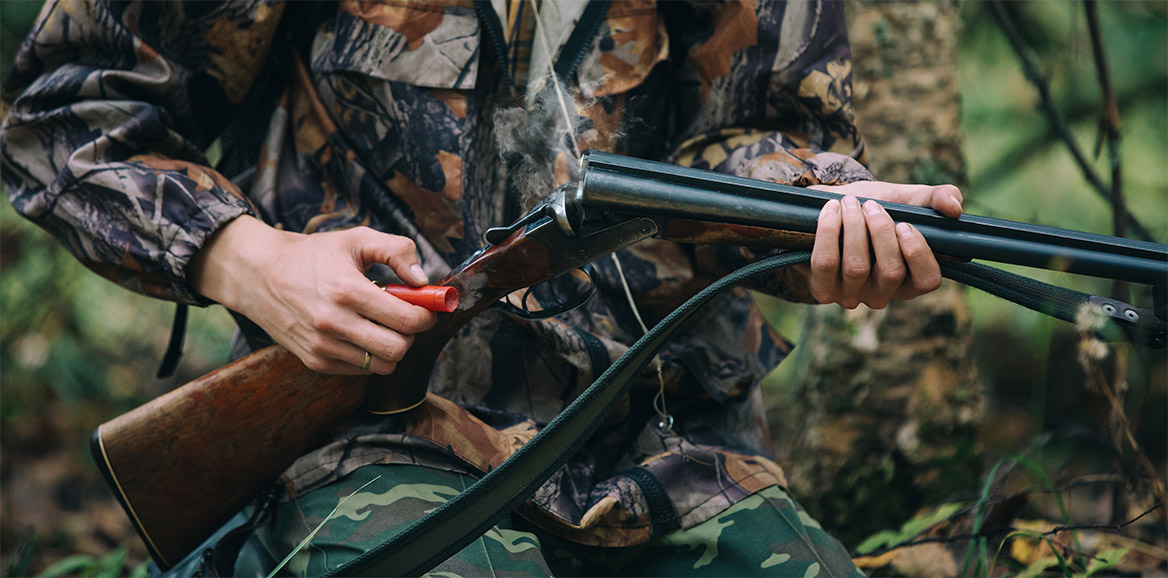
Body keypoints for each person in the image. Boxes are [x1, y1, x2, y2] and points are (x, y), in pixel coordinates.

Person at [2, 1, 963, 576]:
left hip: (660, 441)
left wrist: (824, 209)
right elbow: (62, 113)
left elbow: (752, 137)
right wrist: (249, 260)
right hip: (365, 436)